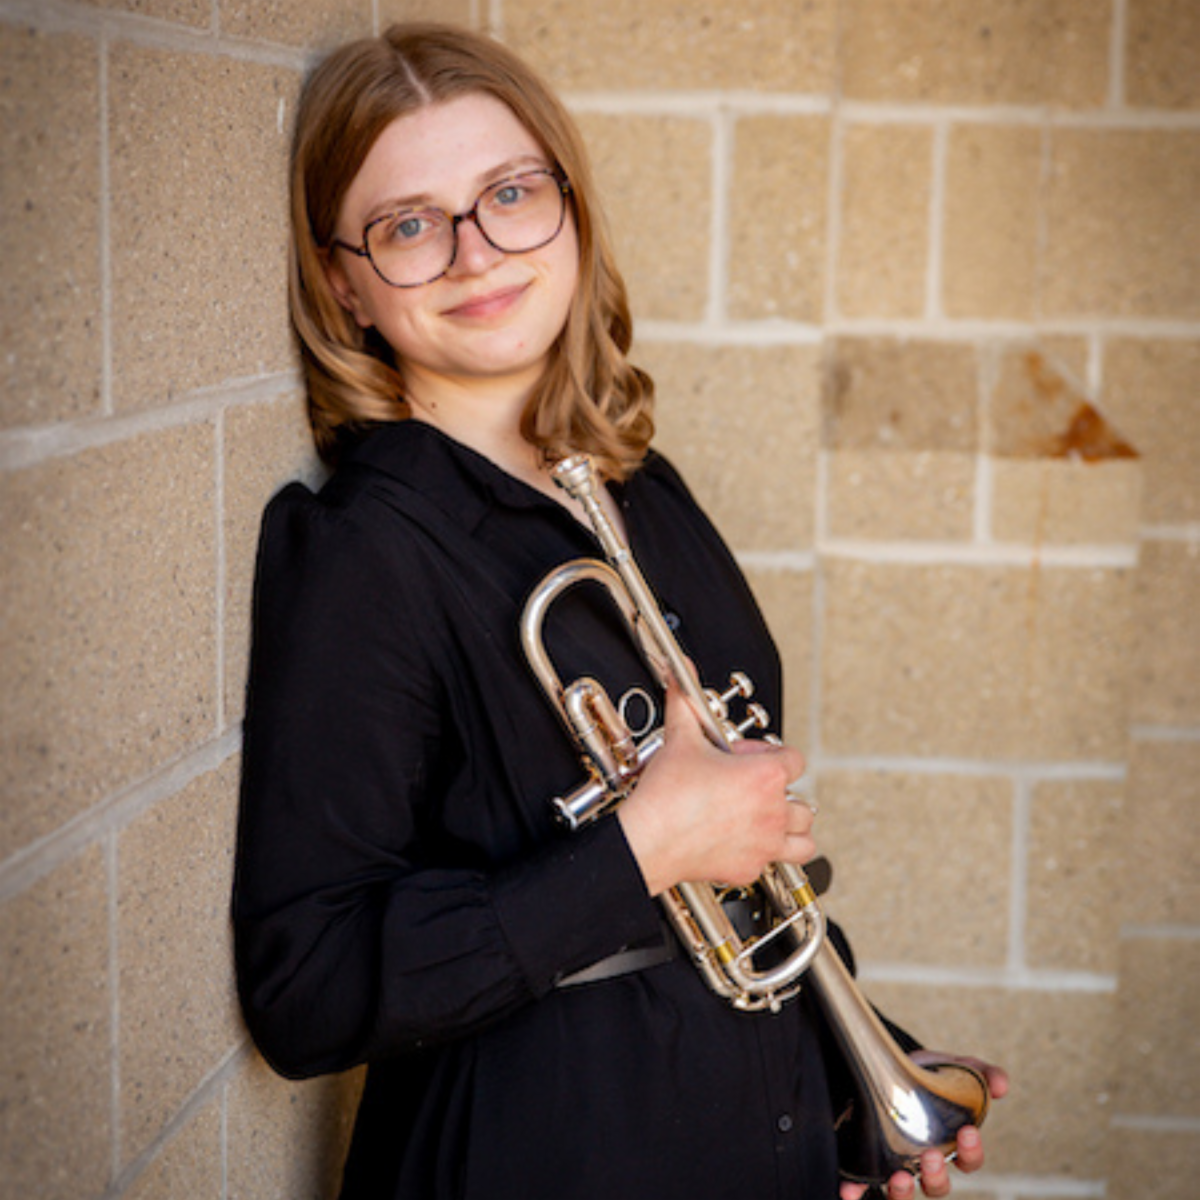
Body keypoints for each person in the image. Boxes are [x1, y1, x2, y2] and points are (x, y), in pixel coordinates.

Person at [232, 21, 1007, 1200]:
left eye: (510, 194)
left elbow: (734, 870)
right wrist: (644, 846)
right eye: (408, 225)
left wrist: (851, 1081)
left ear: (572, 213)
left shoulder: (641, 486)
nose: (475, 253)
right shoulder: (362, 551)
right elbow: (310, 987)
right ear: (343, 282)